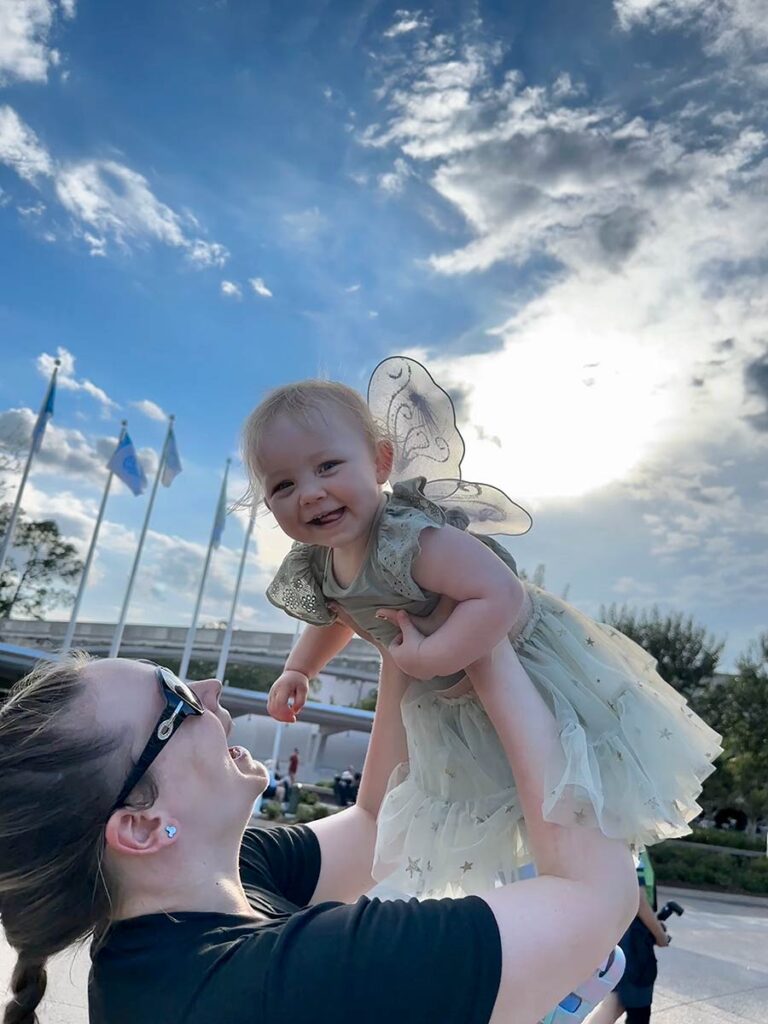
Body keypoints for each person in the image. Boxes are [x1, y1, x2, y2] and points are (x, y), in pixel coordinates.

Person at [241, 356, 722, 898]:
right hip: (442, 691)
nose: (309, 492)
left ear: (380, 463)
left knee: (556, 791)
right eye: (283, 484)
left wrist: (433, 656)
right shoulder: (321, 562)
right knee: (476, 801)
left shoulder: (410, 540)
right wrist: (299, 668)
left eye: (327, 466)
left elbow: (500, 593)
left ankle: (587, 905)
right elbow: (340, 615)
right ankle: (531, 901)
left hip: (524, 667)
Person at [0, 617, 638, 1024]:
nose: (213, 688)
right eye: (177, 698)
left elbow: (374, 826)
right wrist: (487, 642)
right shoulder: (282, 984)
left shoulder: (196, 901)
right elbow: (597, 896)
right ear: (141, 827)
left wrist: (392, 624)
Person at [588, 851, 669, 1024]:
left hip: (626, 933)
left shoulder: (626, 841)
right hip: (633, 942)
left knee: (618, 1002)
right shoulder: (633, 845)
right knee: (633, 1006)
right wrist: (660, 936)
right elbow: (638, 899)